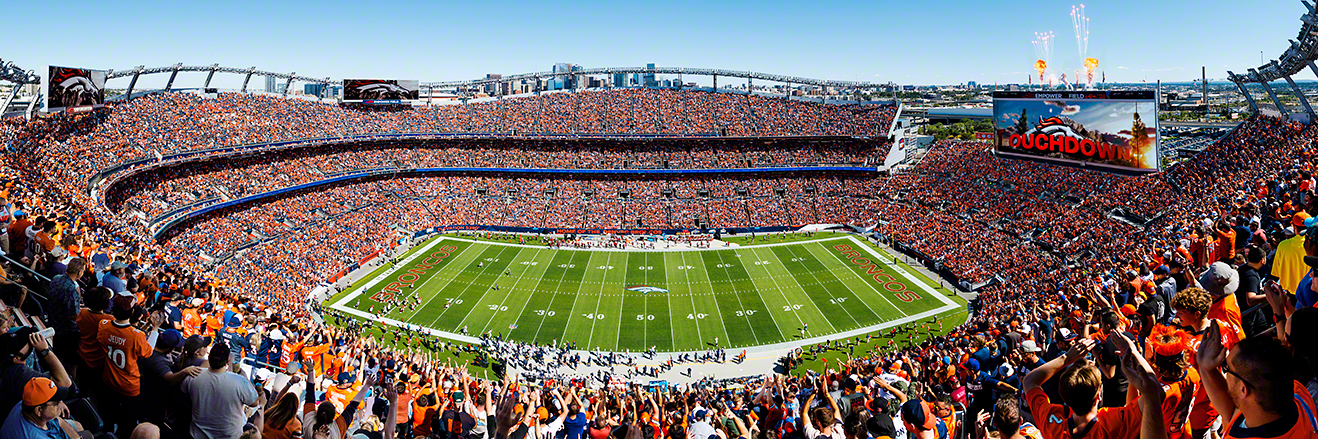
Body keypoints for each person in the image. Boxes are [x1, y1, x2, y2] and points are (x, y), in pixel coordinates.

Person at [1195, 324, 1318, 438]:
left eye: (1227, 368)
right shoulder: (1298, 393)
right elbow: (1232, 413)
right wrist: (1207, 370)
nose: (1225, 373)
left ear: (1243, 389)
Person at [181, 342, 260, 439]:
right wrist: (244, 376)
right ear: (228, 361)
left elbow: (183, 389)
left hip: (197, 435)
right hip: (229, 437)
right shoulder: (239, 381)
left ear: (209, 358)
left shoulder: (194, 375)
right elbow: (255, 402)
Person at [0, 327, 72, 413]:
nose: (29, 342)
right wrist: (44, 350)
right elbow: (64, 382)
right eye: (23, 344)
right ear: (16, 358)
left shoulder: (7, 363)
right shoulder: (19, 373)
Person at [0, 377, 80, 439]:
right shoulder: (34, 436)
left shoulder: (26, 403)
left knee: (78, 425)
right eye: (55, 403)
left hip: (50, 428)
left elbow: (59, 421)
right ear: (39, 410)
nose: (60, 403)